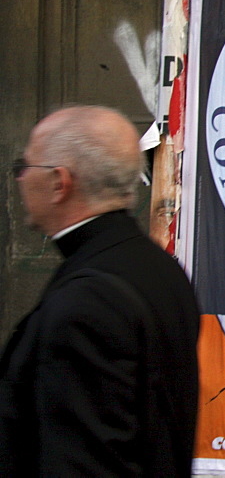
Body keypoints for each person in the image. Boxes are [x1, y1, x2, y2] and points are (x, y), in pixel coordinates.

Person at [0, 105, 200, 476]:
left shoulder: (87, 301)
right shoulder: (160, 269)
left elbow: (83, 461)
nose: (21, 179)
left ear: (60, 183)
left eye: (25, 168)